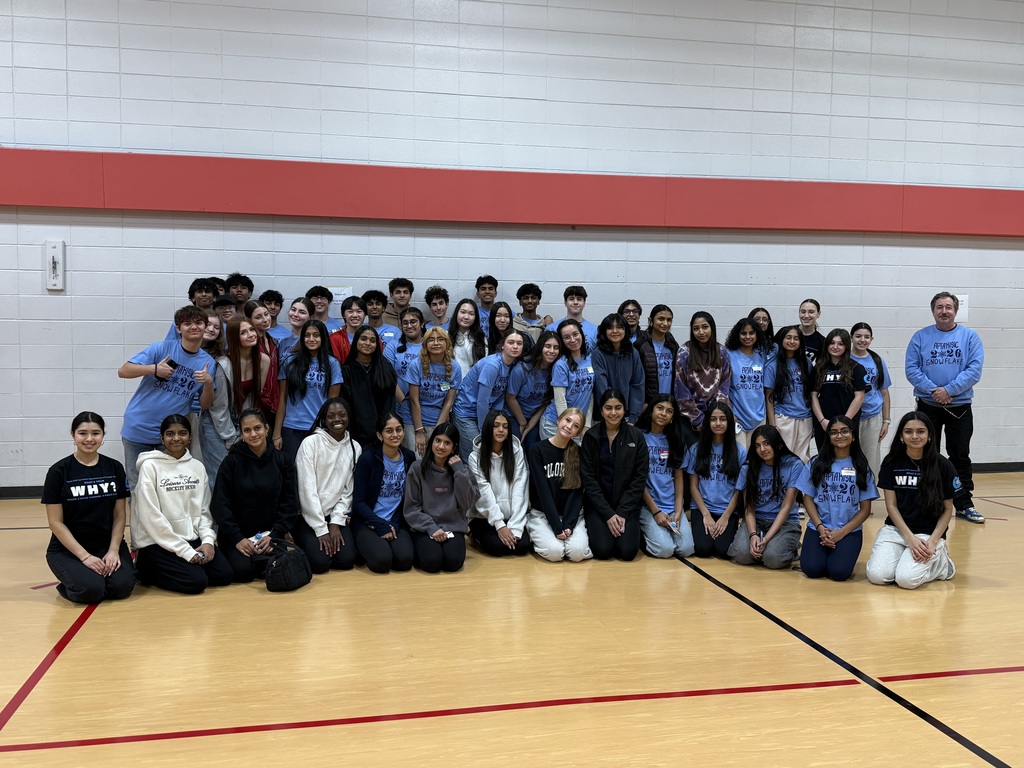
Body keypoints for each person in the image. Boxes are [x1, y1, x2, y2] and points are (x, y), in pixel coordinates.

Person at [904, 291, 984, 524]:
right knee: (927, 454)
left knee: (959, 455)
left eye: (948, 307)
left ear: (955, 311)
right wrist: (935, 391)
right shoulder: (920, 337)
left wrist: (949, 390)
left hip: (959, 407)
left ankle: (964, 502)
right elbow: (912, 369)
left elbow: (974, 370)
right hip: (928, 406)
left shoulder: (970, 337)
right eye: (939, 307)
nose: (944, 311)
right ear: (933, 311)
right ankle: (930, 500)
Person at [117, 305, 215, 491]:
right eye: (187, 323)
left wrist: (209, 383)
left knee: (171, 484)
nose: (193, 327)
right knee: (138, 484)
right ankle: (141, 521)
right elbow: (123, 371)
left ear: (205, 326)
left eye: (198, 323)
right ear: (179, 328)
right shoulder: (161, 348)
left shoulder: (208, 362)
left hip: (173, 433)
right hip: (139, 427)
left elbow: (205, 404)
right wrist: (154, 369)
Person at [42, 412, 136, 604]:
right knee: (91, 591)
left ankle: (93, 576)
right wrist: (84, 557)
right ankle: (68, 583)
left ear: (103, 435)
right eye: (83, 433)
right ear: (73, 435)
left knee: (122, 587)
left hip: (105, 544)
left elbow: (119, 515)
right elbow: (55, 523)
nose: (89, 439)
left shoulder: (114, 467)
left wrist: (113, 550)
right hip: (68, 549)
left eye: (96, 433)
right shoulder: (58, 471)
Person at [132, 415, 233, 593]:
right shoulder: (150, 467)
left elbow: (205, 511)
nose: (176, 438)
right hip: (158, 542)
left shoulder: (197, 467)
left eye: (182, 433)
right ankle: (146, 569)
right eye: (170, 434)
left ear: (190, 437)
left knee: (224, 575)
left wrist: (208, 541)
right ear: (162, 438)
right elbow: (151, 517)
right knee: (196, 583)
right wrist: (185, 552)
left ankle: (179, 567)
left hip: (190, 538)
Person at [866, 412, 958, 589]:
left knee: (906, 580)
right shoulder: (891, 463)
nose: (914, 436)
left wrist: (932, 542)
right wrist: (909, 538)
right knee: (878, 576)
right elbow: (891, 506)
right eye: (908, 431)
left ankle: (942, 565)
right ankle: (904, 556)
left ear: (930, 435)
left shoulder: (943, 466)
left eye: (920, 431)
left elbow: (948, 510)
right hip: (897, 530)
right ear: (901, 436)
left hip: (927, 534)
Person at [212, 409, 298, 583]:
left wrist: (274, 535)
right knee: (243, 572)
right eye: (247, 430)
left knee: (278, 565)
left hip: (269, 536)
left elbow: (290, 504)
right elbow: (219, 505)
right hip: (238, 536)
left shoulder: (283, 461)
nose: (253, 434)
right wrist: (237, 538)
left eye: (257, 428)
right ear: (242, 434)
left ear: (266, 429)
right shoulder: (231, 462)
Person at [797, 416, 879, 581]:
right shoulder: (816, 463)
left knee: (838, 573)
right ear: (828, 437)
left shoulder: (861, 467)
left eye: (844, 431)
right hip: (819, 528)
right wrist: (820, 527)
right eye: (834, 432)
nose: (839, 436)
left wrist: (841, 533)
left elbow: (865, 510)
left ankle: (837, 554)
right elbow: (808, 499)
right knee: (812, 570)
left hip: (848, 530)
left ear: (853, 435)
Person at [294, 398, 362, 573]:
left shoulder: (355, 447)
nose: (337, 420)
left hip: (334, 516)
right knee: (320, 564)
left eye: (342, 415)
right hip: (308, 517)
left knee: (347, 560)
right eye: (331, 416)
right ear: (324, 420)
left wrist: (336, 523)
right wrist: (320, 529)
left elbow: (348, 491)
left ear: (349, 417)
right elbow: (306, 490)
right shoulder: (310, 443)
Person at [580, 389, 649, 561]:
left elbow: (639, 478)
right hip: (598, 505)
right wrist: (608, 514)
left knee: (627, 552)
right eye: (608, 408)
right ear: (601, 410)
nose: (613, 413)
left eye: (618, 408)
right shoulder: (591, 436)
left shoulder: (637, 436)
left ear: (624, 410)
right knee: (603, 550)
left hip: (627, 506)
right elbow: (588, 479)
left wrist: (623, 512)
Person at [729, 424, 808, 569]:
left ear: (777, 444)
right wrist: (753, 535)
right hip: (757, 521)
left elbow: (786, 507)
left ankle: (789, 546)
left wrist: (766, 538)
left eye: (766, 443)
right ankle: (767, 547)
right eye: (757, 445)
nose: (762, 450)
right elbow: (749, 509)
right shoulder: (748, 467)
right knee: (742, 555)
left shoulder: (794, 465)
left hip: (785, 522)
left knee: (773, 559)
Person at [404, 423, 480, 573]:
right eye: (438, 441)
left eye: (447, 443)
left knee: (453, 563)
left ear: (454, 447)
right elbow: (411, 507)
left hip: (453, 527)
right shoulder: (417, 468)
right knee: (432, 562)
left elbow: (466, 503)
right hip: (425, 527)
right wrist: (431, 528)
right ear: (431, 441)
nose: (441, 446)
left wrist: (459, 473)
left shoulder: (462, 470)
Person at [352, 412, 416, 573]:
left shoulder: (409, 457)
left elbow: (408, 499)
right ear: (380, 435)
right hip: (368, 522)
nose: (395, 435)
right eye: (389, 431)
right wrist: (380, 524)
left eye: (399, 429)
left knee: (404, 561)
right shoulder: (368, 459)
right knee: (382, 561)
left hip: (395, 522)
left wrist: (393, 524)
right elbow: (359, 502)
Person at [526, 408, 592, 562]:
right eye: (567, 420)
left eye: (576, 426)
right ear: (558, 421)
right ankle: (534, 533)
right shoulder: (538, 450)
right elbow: (543, 492)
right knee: (555, 553)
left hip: (570, 514)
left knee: (576, 553)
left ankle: (568, 538)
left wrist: (568, 525)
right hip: (543, 514)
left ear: (577, 433)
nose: (569, 426)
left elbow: (576, 493)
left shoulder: (578, 453)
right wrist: (556, 526)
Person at [637, 394, 695, 559]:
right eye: (660, 408)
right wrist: (656, 512)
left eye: (669, 411)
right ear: (650, 411)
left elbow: (678, 477)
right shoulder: (638, 437)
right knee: (665, 550)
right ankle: (643, 535)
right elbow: (637, 480)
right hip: (648, 506)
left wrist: (678, 509)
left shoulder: (676, 440)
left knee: (686, 549)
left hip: (671, 504)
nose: (663, 413)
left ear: (672, 417)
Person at [274, 319, 342, 460]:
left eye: (316, 335)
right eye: (307, 335)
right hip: (291, 428)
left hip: (319, 429)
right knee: (293, 473)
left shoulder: (332, 364)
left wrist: (331, 432)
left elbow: (332, 404)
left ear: (323, 337)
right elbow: (282, 399)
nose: (311, 339)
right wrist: (276, 434)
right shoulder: (289, 362)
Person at [685, 402, 745, 559]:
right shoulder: (696, 449)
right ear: (707, 422)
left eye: (723, 419)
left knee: (723, 550)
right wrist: (705, 515)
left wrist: (726, 517)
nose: (718, 423)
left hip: (727, 509)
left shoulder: (740, 452)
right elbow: (693, 486)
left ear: (729, 422)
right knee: (703, 550)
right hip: (702, 508)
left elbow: (739, 489)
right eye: (713, 419)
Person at [451, 329, 525, 457]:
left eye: (519, 343)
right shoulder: (493, 365)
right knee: (476, 453)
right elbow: (482, 401)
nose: (515, 346)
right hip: (466, 413)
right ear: (503, 345)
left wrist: (495, 419)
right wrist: (485, 430)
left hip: (484, 413)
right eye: (511, 342)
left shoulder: (512, 365)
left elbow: (500, 395)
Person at [468, 410, 531, 557]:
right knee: (496, 548)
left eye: (505, 426)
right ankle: (475, 533)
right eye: (496, 426)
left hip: (510, 515)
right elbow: (483, 492)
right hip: (483, 516)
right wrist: (500, 525)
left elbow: (520, 487)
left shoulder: (517, 452)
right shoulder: (475, 457)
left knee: (522, 547)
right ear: (488, 428)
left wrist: (515, 527)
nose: (501, 430)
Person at [810, 328, 868, 451]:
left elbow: (859, 397)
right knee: (824, 457)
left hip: (848, 422)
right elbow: (813, 396)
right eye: (832, 343)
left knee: (847, 457)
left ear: (846, 346)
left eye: (840, 344)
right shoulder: (819, 368)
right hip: (824, 423)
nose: (835, 347)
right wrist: (822, 420)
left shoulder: (856, 368)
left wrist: (844, 422)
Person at [407, 327, 462, 457]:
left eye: (440, 339)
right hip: (414, 419)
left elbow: (448, 402)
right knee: (418, 458)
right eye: (431, 340)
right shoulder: (416, 364)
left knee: (435, 458)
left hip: (438, 418)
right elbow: (414, 400)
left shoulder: (455, 367)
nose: (436, 343)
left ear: (447, 343)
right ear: (425, 344)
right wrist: (419, 432)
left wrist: (438, 431)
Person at [340, 326, 398, 449]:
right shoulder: (346, 371)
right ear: (356, 342)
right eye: (363, 339)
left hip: (381, 434)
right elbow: (345, 404)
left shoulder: (385, 369)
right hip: (354, 435)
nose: (368, 343)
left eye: (372, 340)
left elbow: (389, 403)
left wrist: (384, 430)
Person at [674, 311, 730, 434]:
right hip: (690, 419)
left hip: (715, 419)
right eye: (696, 328)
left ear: (712, 328)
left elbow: (724, 386)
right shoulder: (684, 352)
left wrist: (716, 416)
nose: (701, 332)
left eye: (705, 327)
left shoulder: (721, 351)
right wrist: (699, 420)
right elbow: (681, 391)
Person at [764, 325, 813, 462]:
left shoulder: (807, 363)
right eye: (788, 337)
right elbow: (769, 397)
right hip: (783, 418)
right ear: (782, 340)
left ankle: (798, 485)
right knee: (783, 459)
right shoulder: (772, 365)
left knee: (802, 459)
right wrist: (773, 425)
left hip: (805, 418)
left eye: (796, 338)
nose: (792, 341)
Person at [505, 330, 559, 454]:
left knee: (534, 451)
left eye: (556, 348)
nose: (552, 351)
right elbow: (510, 398)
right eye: (548, 346)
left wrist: (528, 426)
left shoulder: (556, 370)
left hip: (534, 418)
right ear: (540, 347)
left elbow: (545, 404)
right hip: (513, 415)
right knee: (517, 450)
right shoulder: (523, 368)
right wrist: (522, 422)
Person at [540, 319, 595, 439]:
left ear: (581, 334)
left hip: (576, 425)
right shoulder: (561, 364)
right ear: (562, 341)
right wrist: (567, 425)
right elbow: (560, 400)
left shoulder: (590, 359)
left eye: (575, 334)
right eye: (567, 337)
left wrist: (586, 424)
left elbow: (589, 395)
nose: (573, 340)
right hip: (555, 424)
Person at [850, 322, 892, 478]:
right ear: (851, 338)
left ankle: (868, 494)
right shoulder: (844, 360)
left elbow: (884, 393)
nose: (862, 340)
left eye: (866, 337)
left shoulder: (877, 360)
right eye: (858, 336)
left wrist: (886, 421)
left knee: (870, 459)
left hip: (873, 416)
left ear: (871, 339)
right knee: (849, 456)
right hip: (850, 417)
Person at [200, 313, 237, 488]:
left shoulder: (220, 362)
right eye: (208, 324)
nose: (211, 329)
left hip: (209, 420)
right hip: (183, 418)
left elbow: (220, 405)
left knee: (219, 472)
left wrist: (228, 435)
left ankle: (221, 515)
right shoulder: (178, 352)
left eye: (216, 327)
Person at [724, 317, 771, 448]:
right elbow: (723, 388)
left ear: (757, 334)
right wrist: (729, 413)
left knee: (756, 459)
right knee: (740, 458)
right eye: (743, 333)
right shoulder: (729, 354)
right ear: (737, 335)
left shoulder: (762, 356)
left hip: (759, 417)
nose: (747, 336)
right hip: (737, 417)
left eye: (751, 333)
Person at [591, 313, 644, 424]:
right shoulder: (598, 354)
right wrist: (611, 411)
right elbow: (602, 387)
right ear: (604, 331)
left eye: (619, 327)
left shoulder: (633, 353)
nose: (615, 331)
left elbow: (637, 384)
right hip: (604, 413)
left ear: (625, 330)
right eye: (610, 328)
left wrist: (633, 416)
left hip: (627, 414)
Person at [386, 307, 426, 450]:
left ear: (421, 324)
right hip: (401, 406)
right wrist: (404, 402)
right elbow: (389, 376)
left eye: (413, 322)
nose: (409, 326)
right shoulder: (393, 346)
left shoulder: (430, 345)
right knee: (410, 449)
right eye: (405, 323)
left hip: (427, 406)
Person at [635, 304, 679, 414]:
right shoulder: (640, 345)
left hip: (669, 403)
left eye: (669, 320)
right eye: (661, 319)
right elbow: (635, 378)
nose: (665, 323)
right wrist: (642, 402)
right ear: (651, 320)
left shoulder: (673, 345)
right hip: (648, 405)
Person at [448, 298, 487, 379]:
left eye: (471, 314)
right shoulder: (446, 337)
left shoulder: (481, 339)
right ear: (456, 314)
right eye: (463, 312)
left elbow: (484, 368)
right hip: (451, 386)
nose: (466, 317)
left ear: (475, 317)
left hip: (472, 387)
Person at [276, 296, 315, 372]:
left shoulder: (312, 341)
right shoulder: (283, 342)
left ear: (311, 317)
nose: (296, 314)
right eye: (293, 310)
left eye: (302, 312)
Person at [328, 295, 368, 365]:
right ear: (343, 315)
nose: (355, 315)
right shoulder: (334, 338)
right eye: (350, 311)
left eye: (359, 311)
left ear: (364, 314)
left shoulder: (372, 337)